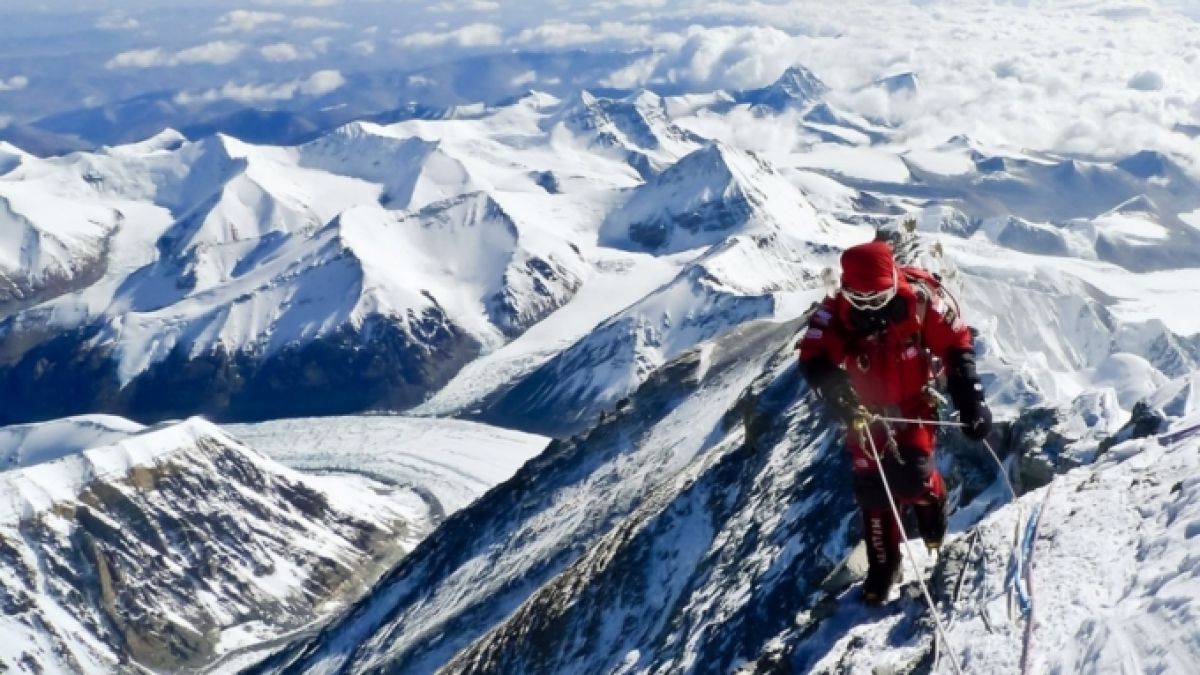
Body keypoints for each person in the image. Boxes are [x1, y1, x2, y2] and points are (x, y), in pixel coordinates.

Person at [797, 240, 991, 604]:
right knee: (873, 490)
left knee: (912, 476)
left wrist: (971, 400)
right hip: (865, 410)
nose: (870, 310)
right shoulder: (836, 313)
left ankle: (932, 503)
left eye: (877, 299)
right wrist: (842, 398)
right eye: (861, 301)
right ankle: (883, 566)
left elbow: (956, 345)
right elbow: (815, 358)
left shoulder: (921, 304)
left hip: (914, 405)